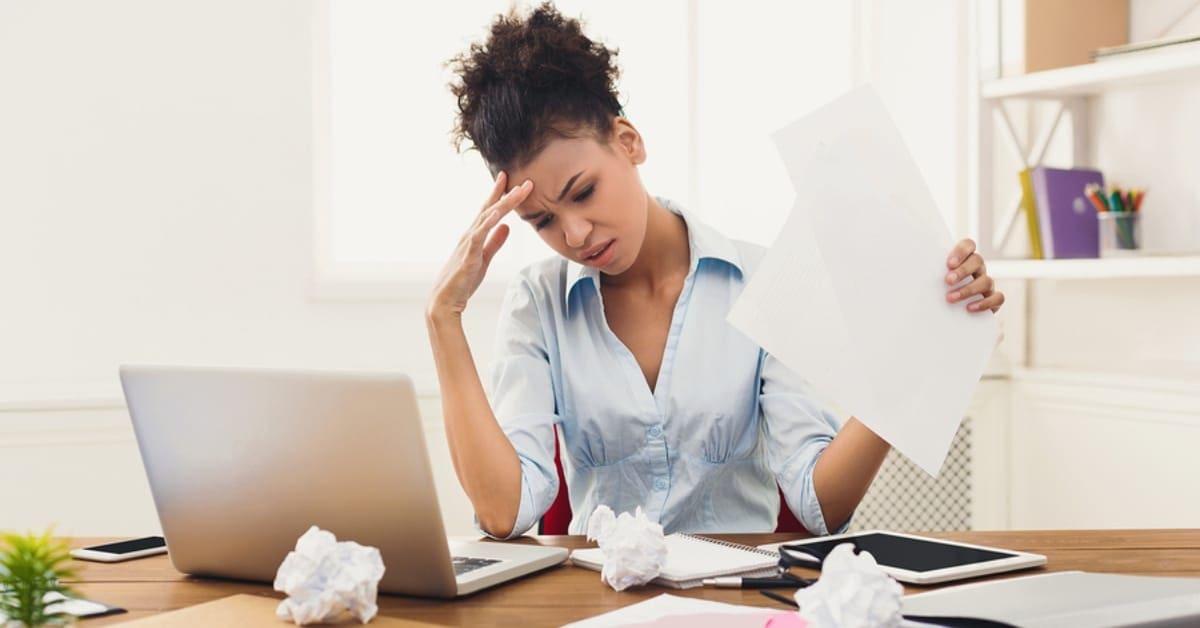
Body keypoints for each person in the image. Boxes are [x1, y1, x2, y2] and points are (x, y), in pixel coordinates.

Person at [426, 3, 1004, 540]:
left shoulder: (758, 280)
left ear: (628, 142)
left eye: (583, 192)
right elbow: (505, 513)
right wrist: (443, 319)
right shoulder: (538, 304)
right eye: (542, 221)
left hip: (734, 602)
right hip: (602, 606)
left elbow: (818, 504)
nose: (574, 235)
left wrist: (917, 350)